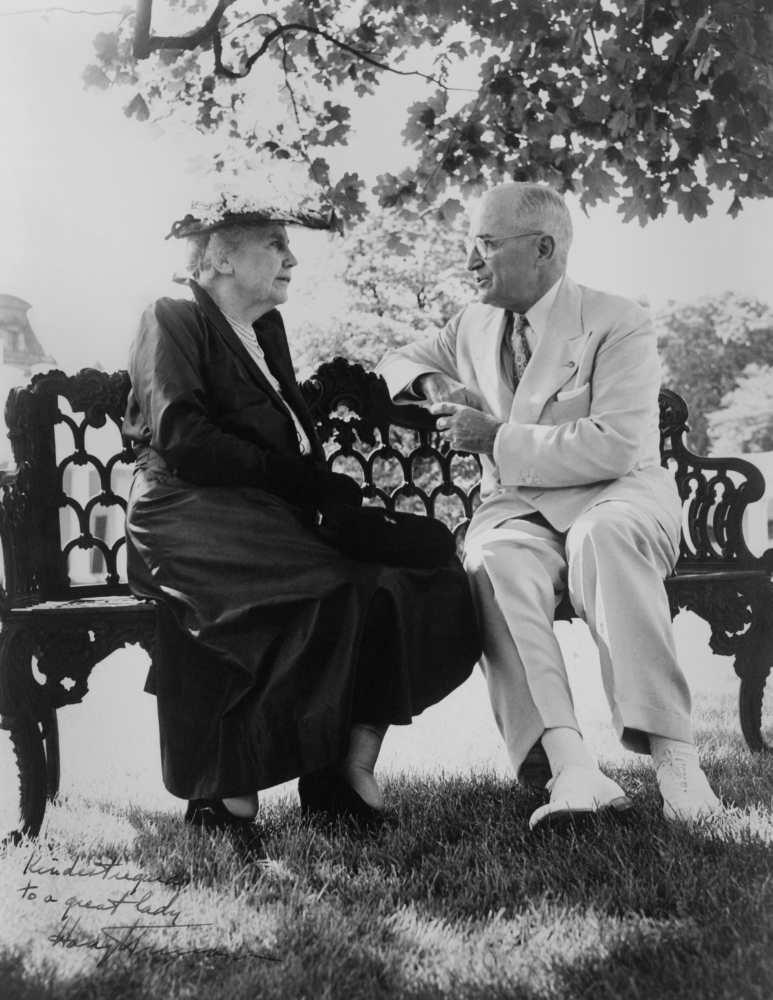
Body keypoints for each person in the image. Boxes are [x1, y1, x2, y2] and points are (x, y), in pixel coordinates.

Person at [122, 197, 481, 842]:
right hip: (184, 510)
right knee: (327, 584)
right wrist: (299, 480)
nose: (291, 258)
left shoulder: (264, 332)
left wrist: (320, 488)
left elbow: (291, 437)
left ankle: (343, 773)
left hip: (260, 509)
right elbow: (183, 437)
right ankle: (226, 792)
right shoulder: (172, 315)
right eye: (274, 243)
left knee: (413, 576)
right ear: (221, 256)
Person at [376, 182, 721, 829]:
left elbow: (614, 446)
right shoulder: (472, 323)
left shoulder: (617, 321)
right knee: (488, 560)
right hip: (518, 510)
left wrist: (495, 438)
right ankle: (569, 769)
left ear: (542, 248)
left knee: (603, 538)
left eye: (484, 244)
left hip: (615, 494)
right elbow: (395, 360)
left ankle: (676, 760)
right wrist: (435, 380)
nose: (470, 260)